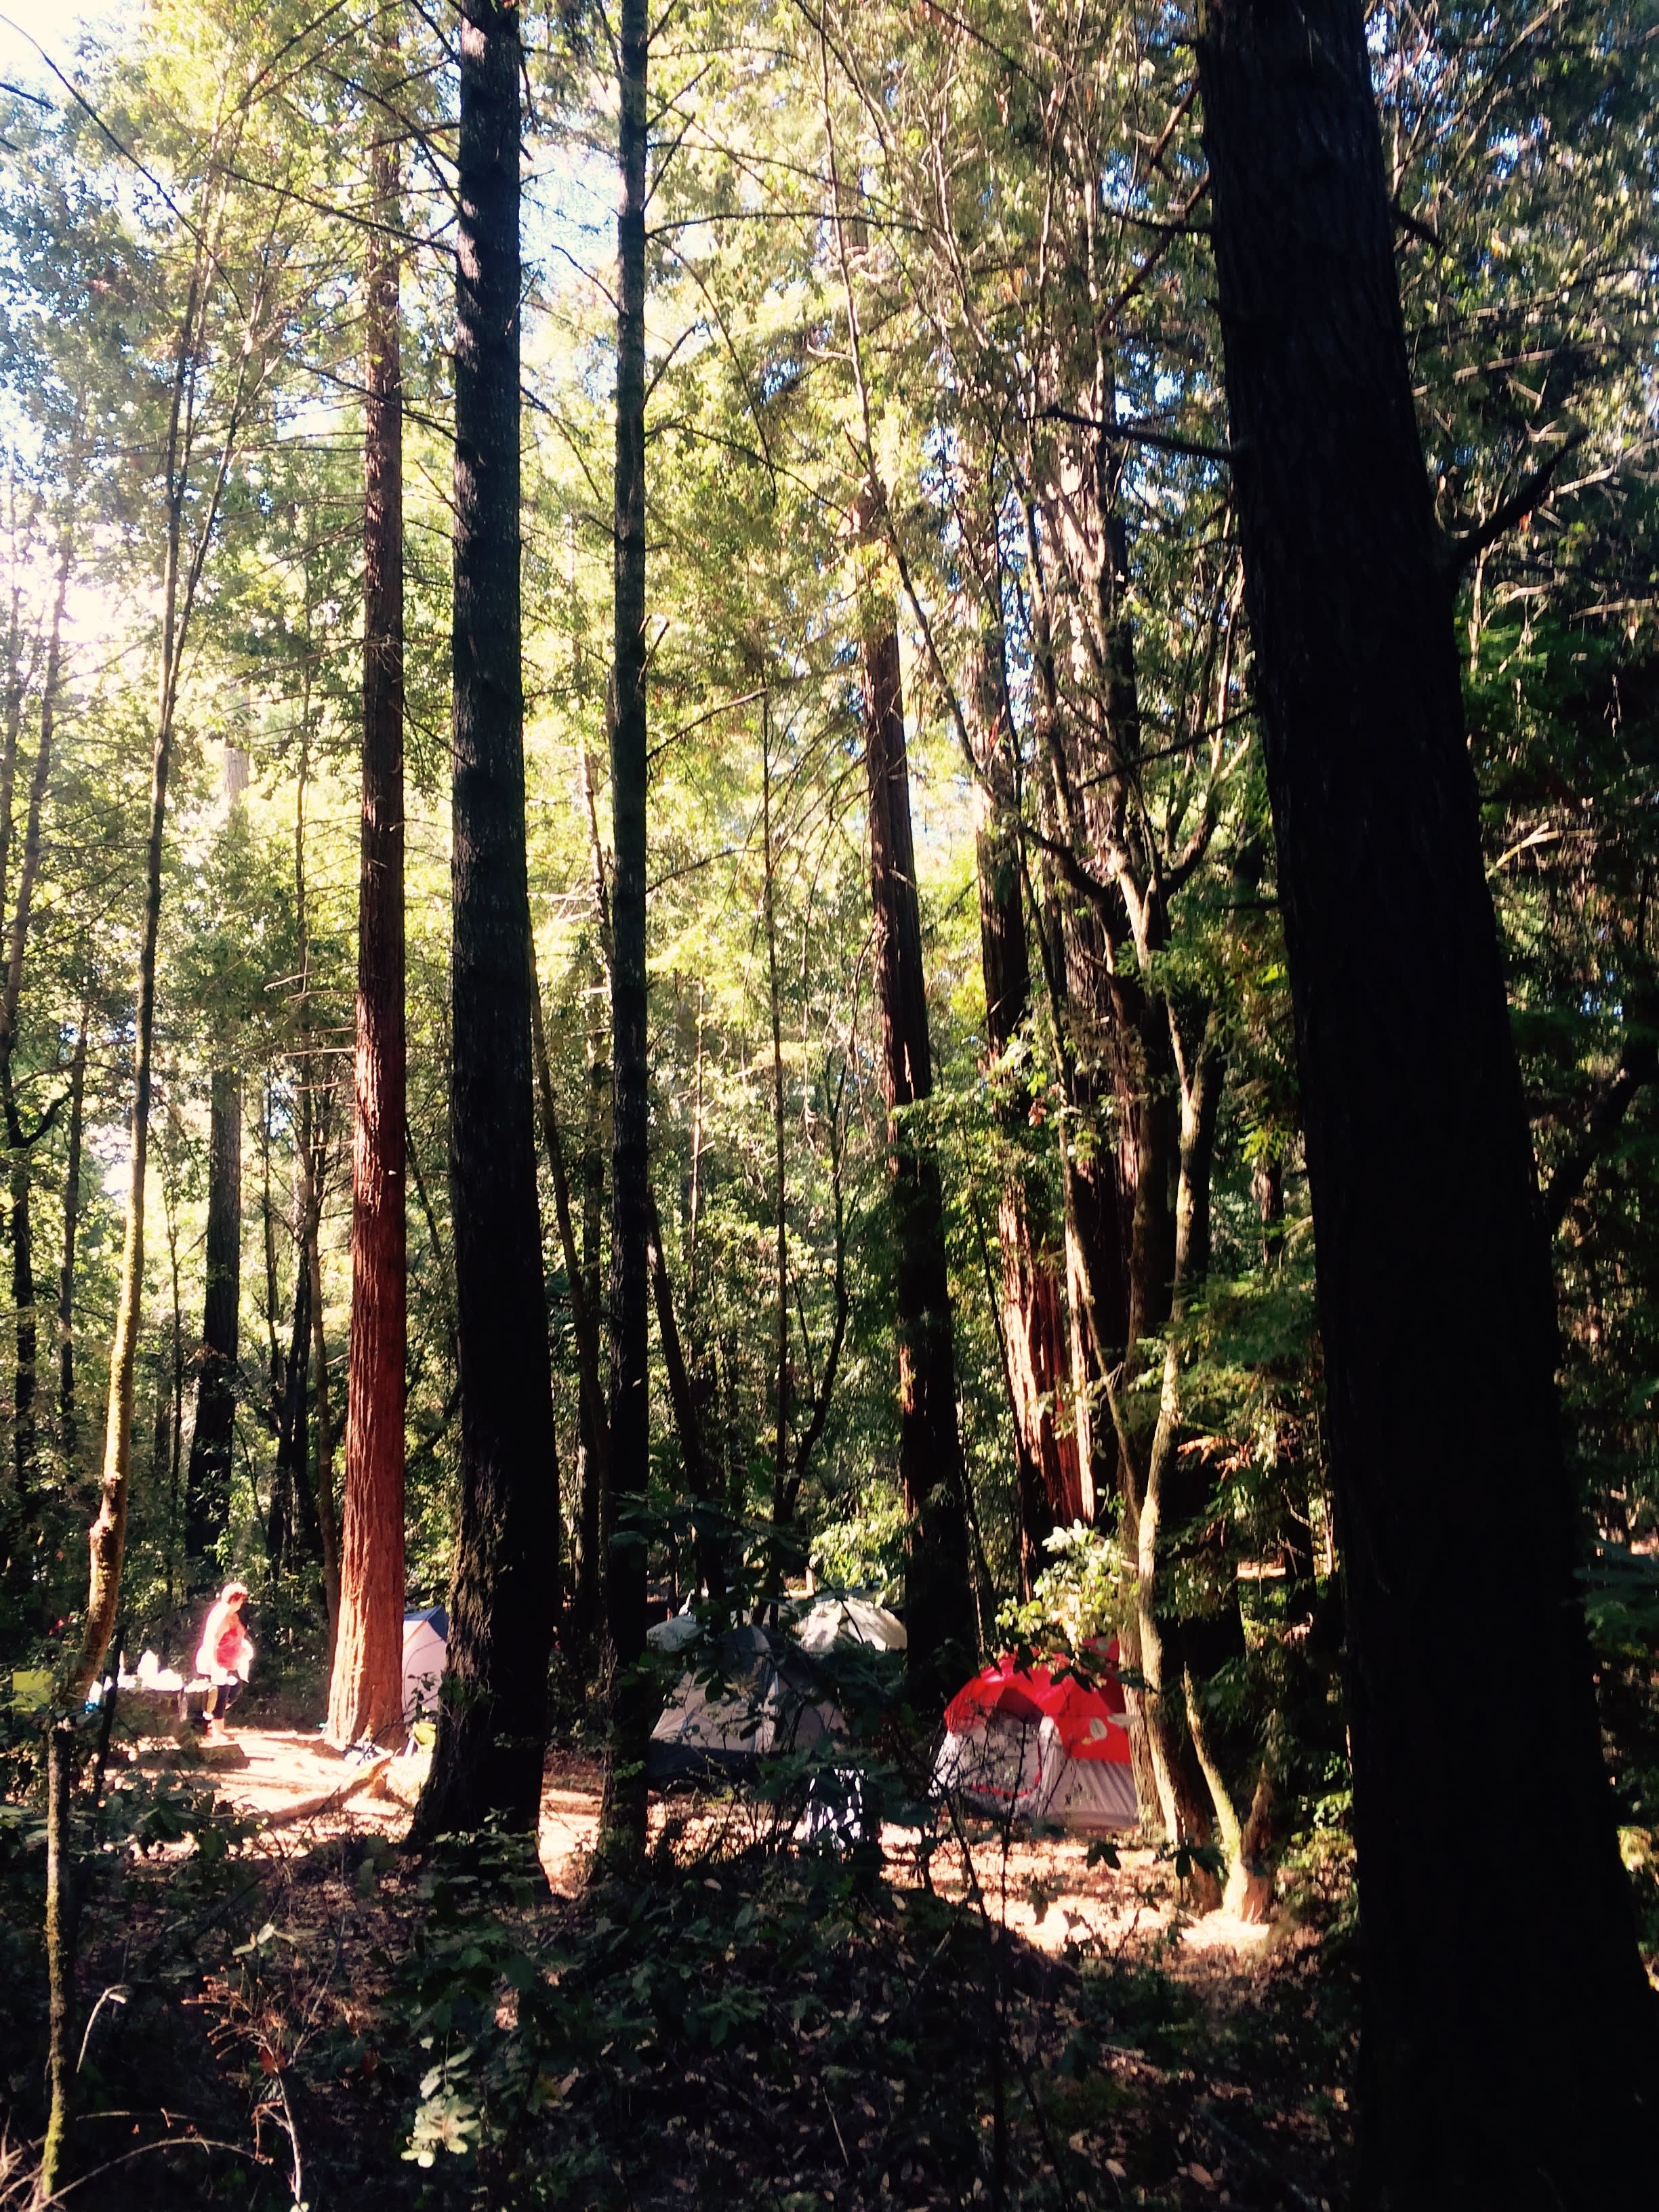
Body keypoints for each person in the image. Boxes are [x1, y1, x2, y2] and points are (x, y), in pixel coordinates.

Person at [193, 1580, 254, 1732]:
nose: (242, 1604)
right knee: (221, 1694)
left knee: (234, 1689)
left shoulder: (232, 1615)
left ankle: (209, 1721)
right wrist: (215, 1663)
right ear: (234, 1600)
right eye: (240, 1601)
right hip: (217, 1662)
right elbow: (213, 1640)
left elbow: (236, 1636)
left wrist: (244, 1648)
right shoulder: (221, 1614)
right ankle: (218, 1731)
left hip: (230, 1662)